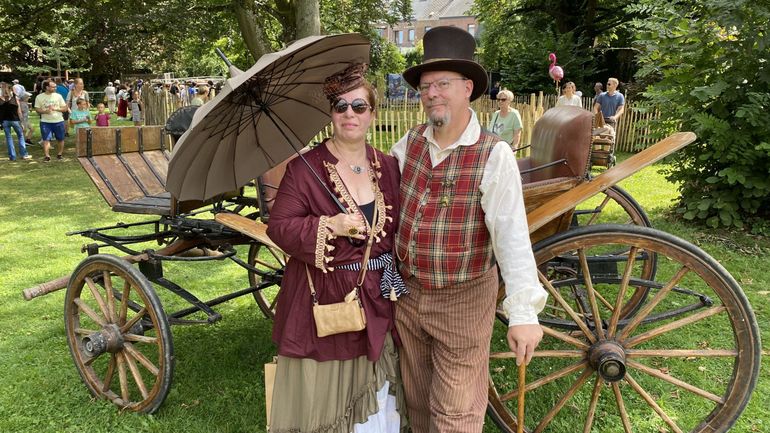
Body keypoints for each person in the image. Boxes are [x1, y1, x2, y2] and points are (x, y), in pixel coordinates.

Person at [392, 26, 547, 432]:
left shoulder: (493, 155)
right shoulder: (408, 145)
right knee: (419, 400)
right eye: (425, 86)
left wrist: (523, 312)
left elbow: (511, 235)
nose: (432, 94)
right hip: (408, 296)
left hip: (462, 300)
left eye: (442, 84)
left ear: (467, 88)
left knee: (456, 412)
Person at [266, 63, 407, 433]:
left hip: (378, 296)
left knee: (377, 399)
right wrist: (331, 224)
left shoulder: (389, 166)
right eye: (341, 106)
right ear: (331, 114)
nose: (349, 114)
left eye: (359, 106)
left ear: (373, 114)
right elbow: (279, 227)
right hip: (326, 302)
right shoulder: (305, 168)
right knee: (327, 405)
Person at [34, 79, 68, 161]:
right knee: (46, 139)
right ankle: (47, 156)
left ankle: (59, 154)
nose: (55, 88)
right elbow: (37, 109)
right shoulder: (39, 97)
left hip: (58, 121)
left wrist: (56, 109)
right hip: (45, 122)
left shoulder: (58, 96)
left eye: (55, 86)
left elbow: (65, 108)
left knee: (60, 138)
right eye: (53, 87)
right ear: (47, 87)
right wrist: (45, 111)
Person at [1, 81, 31, 160]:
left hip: (5, 121)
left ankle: (12, 156)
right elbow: (19, 111)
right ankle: (24, 154)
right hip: (15, 120)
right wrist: (22, 122)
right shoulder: (15, 98)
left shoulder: (0, 99)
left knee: (8, 138)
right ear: (11, 89)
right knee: (20, 136)